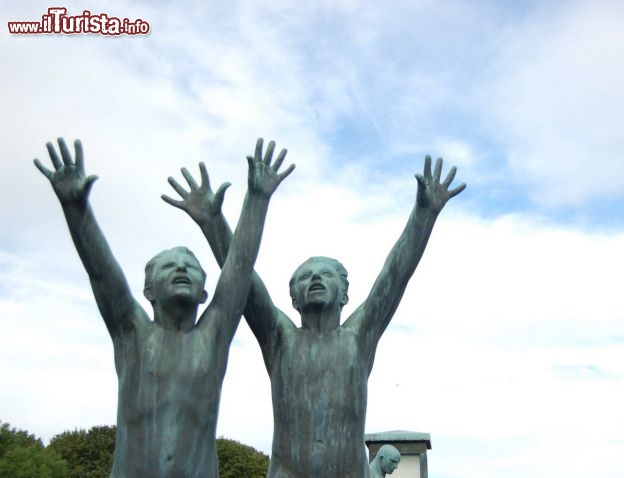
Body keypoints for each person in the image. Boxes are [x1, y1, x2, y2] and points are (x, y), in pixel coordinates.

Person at [163, 146, 465, 477]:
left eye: (325, 275)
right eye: (305, 277)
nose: (316, 278)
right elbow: (242, 278)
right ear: (293, 299)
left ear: (345, 294)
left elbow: (394, 277)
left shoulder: (358, 338)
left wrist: (424, 214)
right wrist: (212, 221)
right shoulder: (280, 338)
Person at [35, 137, 293, 477]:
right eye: (169, 267)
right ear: (148, 290)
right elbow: (101, 272)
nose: (182, 269)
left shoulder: (213, 337)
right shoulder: (132, 333)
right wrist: (76, 209)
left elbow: (239, 267)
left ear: (205, 293)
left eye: (190, 268)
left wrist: (257, 199)